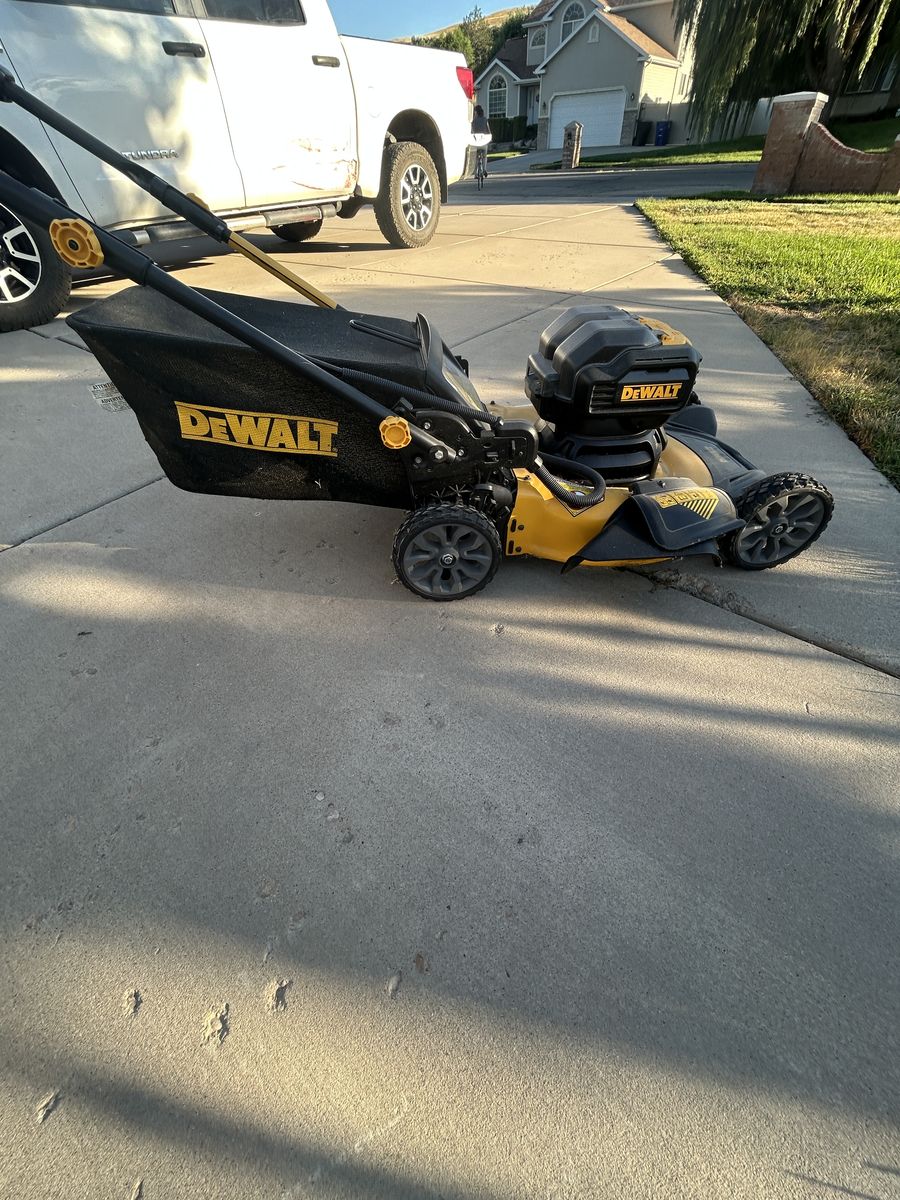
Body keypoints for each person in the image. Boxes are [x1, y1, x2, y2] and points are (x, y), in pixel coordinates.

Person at [471, 104, 491, 180]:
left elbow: (472, 132)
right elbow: (488, 130)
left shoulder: (473, 121)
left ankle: (476, 174)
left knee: (476, 158)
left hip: (476, 142)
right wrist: (490, 137)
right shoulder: (485, 119)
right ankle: (484, 169)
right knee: (484, 156)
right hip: (484, 141)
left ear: (475, 112)